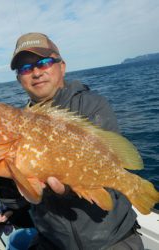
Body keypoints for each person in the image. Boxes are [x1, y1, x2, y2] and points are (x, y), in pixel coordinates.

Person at [9, 32, 144, 250]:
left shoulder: (91, 105)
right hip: (52, 242)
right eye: (25, 68)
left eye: (43, 62)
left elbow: (112, 165)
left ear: (61, 66)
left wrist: (70, 189)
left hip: (111, 240)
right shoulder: (17, 123)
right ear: (19, 79)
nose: (35, 72)